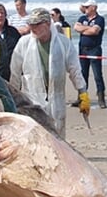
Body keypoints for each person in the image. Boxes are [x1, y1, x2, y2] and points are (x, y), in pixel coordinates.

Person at [10, 10, 86, 138]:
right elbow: (15, 71)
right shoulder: (24, 43)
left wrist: (82, 92)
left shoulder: (63, 43)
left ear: (47, 23)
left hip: (56, 97)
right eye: (31, 25)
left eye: (36, 25)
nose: (32, 28)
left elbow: (74, 69)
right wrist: (13, 96)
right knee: (34, 134)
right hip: (32, 97)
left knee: (57, 135)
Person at [75, 0, 107, 108]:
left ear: (93, 7)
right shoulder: (82, 18)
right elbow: (76, 28)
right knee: (83, 74)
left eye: (87, 7)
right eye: (85, 7)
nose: (85, 9)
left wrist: (84, 30)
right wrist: (88, 29)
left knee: (97, 75)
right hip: (82, 48)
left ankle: (101, 99)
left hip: (94, 49)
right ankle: (81, 98)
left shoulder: (100, 19)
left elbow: (95, 31)